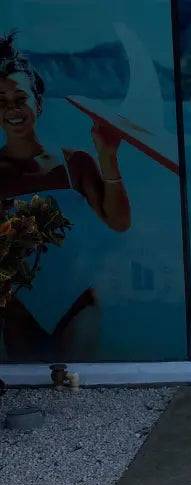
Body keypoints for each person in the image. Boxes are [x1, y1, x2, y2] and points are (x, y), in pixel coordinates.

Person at [0, 31, 130, 361]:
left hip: (76, 301)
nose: (12, 108)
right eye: (1, 101)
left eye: (20, 98)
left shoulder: (75, 164)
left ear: (38, 103)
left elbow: (119, 222)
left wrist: (108, 156)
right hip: (17, 308)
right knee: (32, 387)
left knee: (75, 384)